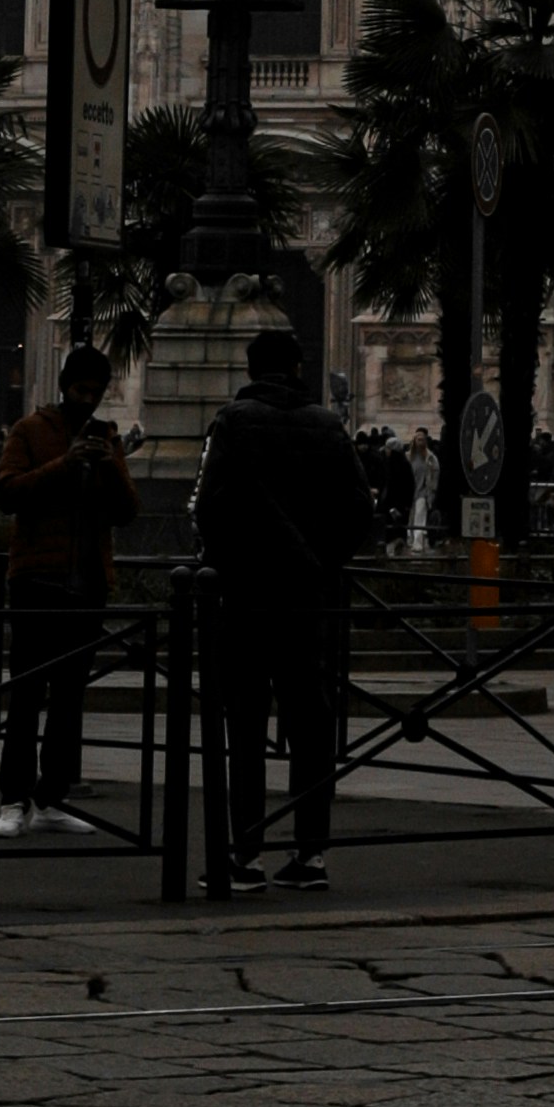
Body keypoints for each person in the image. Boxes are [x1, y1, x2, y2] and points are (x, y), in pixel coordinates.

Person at [192, 321, 374, 894]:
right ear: (298, 368)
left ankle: (246, 857)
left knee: (245, 725)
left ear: (250, 370)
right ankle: (310, 854)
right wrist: (320, 561)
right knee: (311, 726)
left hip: (246, 596)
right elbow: (361, 509)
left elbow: (209, 507)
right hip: (307, 598)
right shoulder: (328, 425)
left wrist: (232, 561)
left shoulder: (233, 421)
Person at [0, 342, 137, 839]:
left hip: (87, 581)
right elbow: (7, 492)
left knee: (69, 699)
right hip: (37, 578)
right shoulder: (29, 430)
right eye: (81, 390)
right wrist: (65, 464)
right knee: (27, 693)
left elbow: (128, 511)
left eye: (96, 392)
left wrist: (109, 464)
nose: (88, 400)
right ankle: (13, 799)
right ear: (64, 386)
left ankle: (51, 798)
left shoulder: (107, 437)